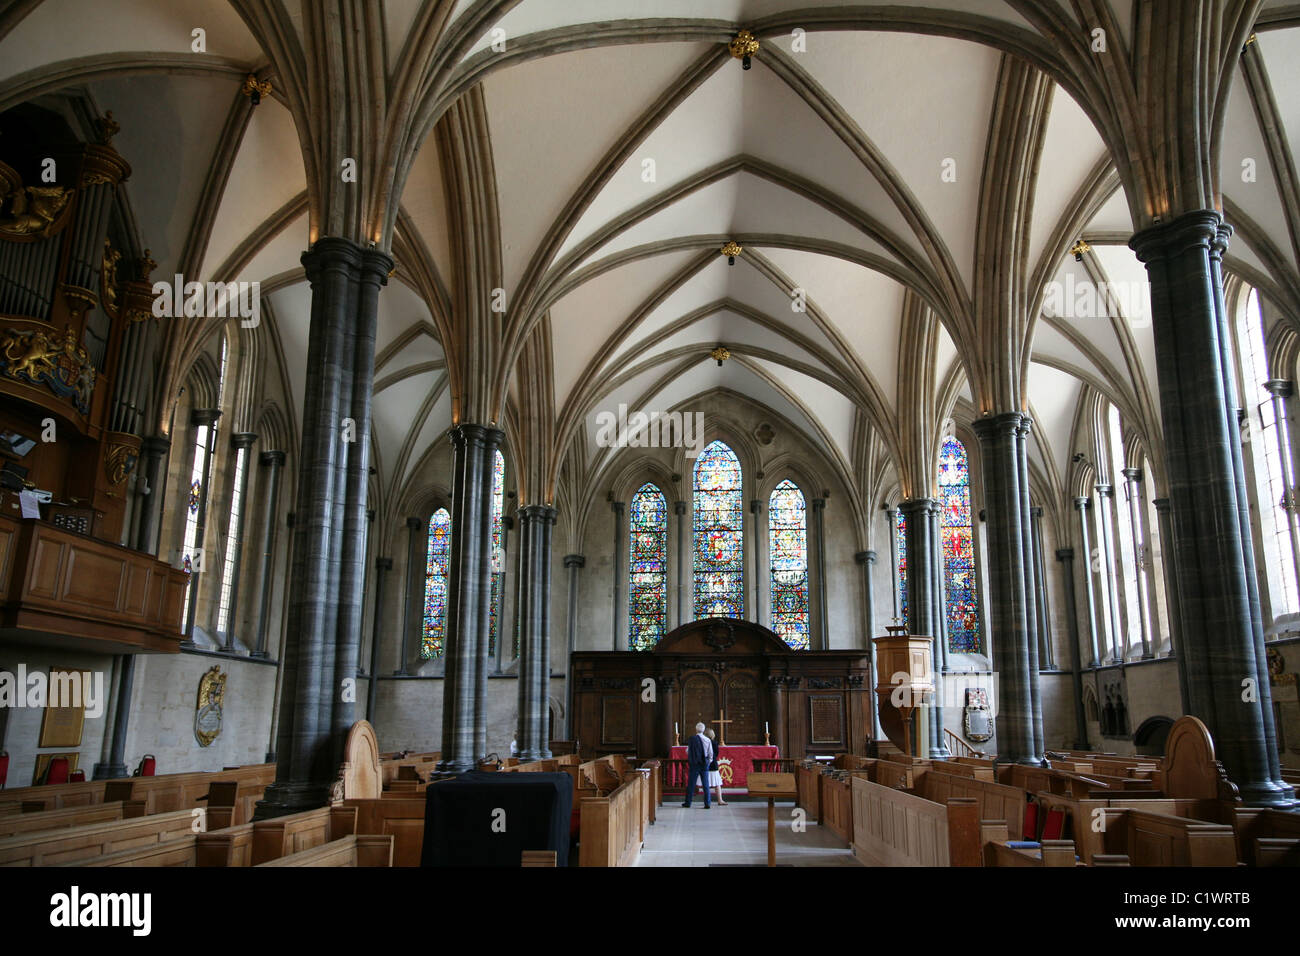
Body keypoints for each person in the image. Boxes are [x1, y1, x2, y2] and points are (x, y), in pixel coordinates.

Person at [681, 722, 713, 809]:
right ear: (704, 730)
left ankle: (688, 802)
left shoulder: (692, 739)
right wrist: (708, 762)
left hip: (694, 764)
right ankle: (707, 803)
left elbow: (688, 751)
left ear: (696, 729)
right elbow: (711, 754)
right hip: (704, 764)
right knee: (706, 784)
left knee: (691, 784)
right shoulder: (708, 740)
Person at [704, 728, 726, 805]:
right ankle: (720, 800)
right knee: (717, 783)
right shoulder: (714, 743)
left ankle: (707, 800)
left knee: (705, 783)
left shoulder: (704, 742)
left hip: (705, 764)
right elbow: (716, 753)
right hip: (713, 764)